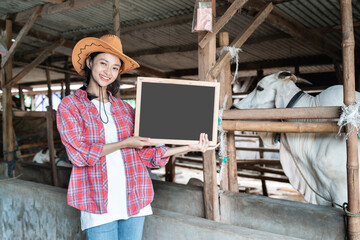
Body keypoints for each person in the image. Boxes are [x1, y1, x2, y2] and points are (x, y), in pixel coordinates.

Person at [56, 34, 217, 240]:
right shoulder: (71, 106)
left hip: (134, 197)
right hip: (97, 202)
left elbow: (146, 153)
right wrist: (124, 143)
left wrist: (187, 147)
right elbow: (79, 154)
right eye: (103, 63)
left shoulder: (125, 109)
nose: (108, 71)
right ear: (89, 62)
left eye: (115, 67)